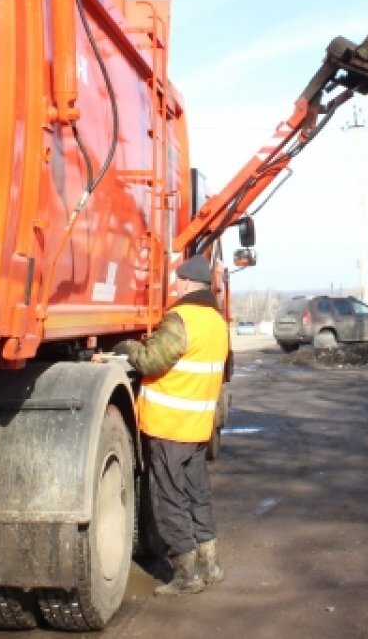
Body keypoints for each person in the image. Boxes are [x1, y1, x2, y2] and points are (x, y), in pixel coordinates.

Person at [114, 254, 228, 596]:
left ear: (189, 284)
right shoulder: (217, 322)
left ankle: (185, 574)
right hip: (196, 427)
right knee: (198, 494)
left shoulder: (181, 319)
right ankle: (211, 565)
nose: (175, 287)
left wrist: (129, 347)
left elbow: (152, 360)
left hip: (169, 426)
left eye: (179, 281)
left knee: (169, 499)